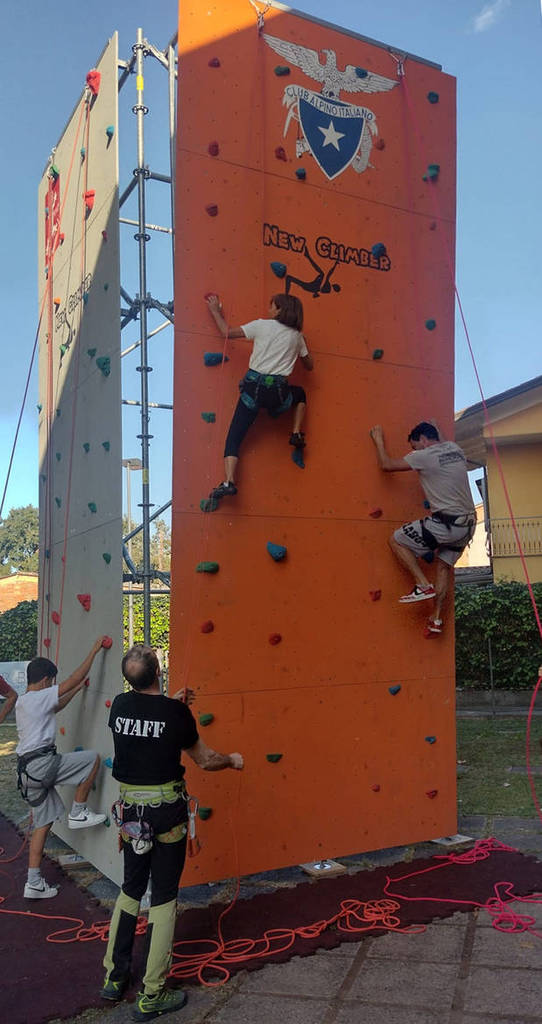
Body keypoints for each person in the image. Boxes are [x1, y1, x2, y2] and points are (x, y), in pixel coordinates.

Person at [101, 644, 244, 1021]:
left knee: (131, 890)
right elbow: (205, 759)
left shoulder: (118, 706)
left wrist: (173, 705)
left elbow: (145, 723)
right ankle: (153, 992)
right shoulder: (175, 714)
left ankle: (115, 978)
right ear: (158, 671)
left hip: (131, 813)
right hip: (167, 813)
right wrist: (232, 761)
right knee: (163, 897)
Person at [15, 639, 110, 899]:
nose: (54, 687)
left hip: (27, 774)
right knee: (92, 759)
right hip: (42, 764)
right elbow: (72, 678)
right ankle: (79, 811)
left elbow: (59, 704)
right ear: (46, 680)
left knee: (42, 824)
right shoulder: (41, 695)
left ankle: (33, 882)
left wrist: (77, 690)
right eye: (53, 682)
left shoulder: (24, 702)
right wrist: (93, 651)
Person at [202, 292, 314, 510]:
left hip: (253, 391)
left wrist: (215, 310)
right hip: (278, 394)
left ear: (280, 310)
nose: (268, 309)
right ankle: (296, 432)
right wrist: (303, 346)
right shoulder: (298, 337)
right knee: (299, 394)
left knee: (234, 438)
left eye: (271, 306)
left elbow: (227, 332)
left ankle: (229, 481)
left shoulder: (262, 326)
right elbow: (309, 366)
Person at [370, 421, 475, 636]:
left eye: (415, 446)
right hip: (468, 526)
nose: (414, 451)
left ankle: (422, 583)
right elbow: (442, 437)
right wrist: (436, 425)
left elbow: (387, 465)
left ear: (424, 440)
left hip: (449, 524)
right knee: (443, 566)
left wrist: (378, 440)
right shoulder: (455, 449)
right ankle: (436, 619)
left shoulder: (424, 456)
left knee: (396, 540)